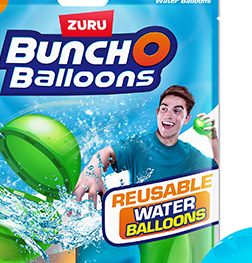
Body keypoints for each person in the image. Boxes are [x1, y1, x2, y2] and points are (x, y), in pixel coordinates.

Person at [74, 85, 219, 207]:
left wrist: (213, 138)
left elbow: (218, 172)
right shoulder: (139, 143)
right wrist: (93, 170)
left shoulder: (189, 154)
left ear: (186, 119)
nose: (168, 115)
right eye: (164, 109)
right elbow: (107, 153)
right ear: (157, 112)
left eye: (176, 111)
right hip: (138, 224)